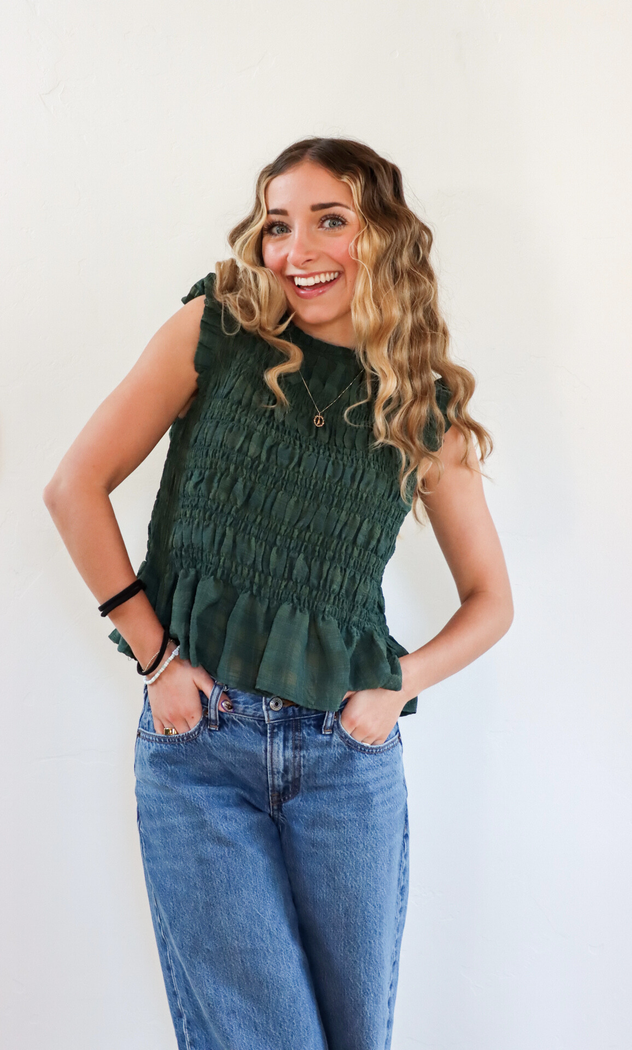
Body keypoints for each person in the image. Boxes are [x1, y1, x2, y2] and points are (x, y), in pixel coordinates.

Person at [43, 136, 513, 1050]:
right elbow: (74, 487)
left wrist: (398, 688)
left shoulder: (420, 409)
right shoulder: (217, 332)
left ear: (381, 236)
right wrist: (159, 658)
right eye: (277, 225)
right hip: (200, 751)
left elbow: (491, 599)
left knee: (350, 1038)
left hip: (345, 760)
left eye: (328, 221)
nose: (296, 251)